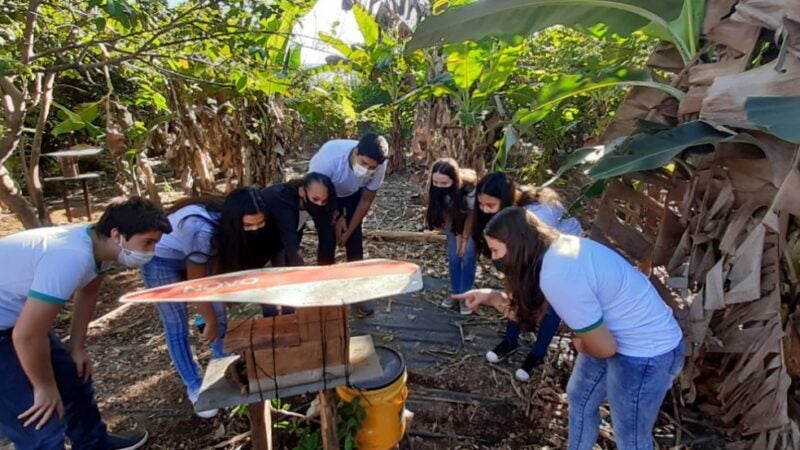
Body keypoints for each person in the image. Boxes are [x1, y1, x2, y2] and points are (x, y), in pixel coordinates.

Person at [456, 207, 684, 450]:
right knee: (580, 398)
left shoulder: (558, 273)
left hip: (646, 353)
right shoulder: (552, 250)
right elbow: (531, 314)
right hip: (608, 334)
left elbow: (604, 348)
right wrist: (490, 297)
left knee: (632, 440)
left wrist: (579, 343)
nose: (494, 259)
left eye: (495, 250)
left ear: (518, 245)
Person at [0, 196, 171, 450]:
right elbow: (27, 337)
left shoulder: (95, 246)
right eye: (147, 243)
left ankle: (94, 443)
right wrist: (44, 386)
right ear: (117, 234)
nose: (150, 251)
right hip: (15, 332)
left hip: (16, 325)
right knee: (40, 421)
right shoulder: (70, 257)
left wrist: (77, 347)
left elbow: (88, 293)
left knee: (73, 380)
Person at [140, 187, 270, 418]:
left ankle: (223, 369)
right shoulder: (201, 229)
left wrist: (218, 302)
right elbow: (196, 281)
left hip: (196, 257)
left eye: (259, 224)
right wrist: (208, 318)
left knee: (219, 313)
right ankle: (194, 384)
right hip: (162, 260)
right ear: (233, 220)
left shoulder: (224, 225)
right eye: (248, 226)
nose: (255, 230)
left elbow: (216, 267)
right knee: (176, 325)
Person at [472, 173, 583, 381]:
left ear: (505, 200)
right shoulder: (515, 208)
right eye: (481, 204)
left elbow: (537, 250)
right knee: (518, 294)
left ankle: (537, 354)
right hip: (535, 254)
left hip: (561, 257)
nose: (484, 210)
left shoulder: (534, 214)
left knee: (550, 305)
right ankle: (511, 341)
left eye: (490, 205)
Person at [309, 132, 389, 316]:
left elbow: (366, 200)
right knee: (327, 241)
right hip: (324, 194)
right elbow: (317, 193)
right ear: (355, 152)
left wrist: (348, 230)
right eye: (363, 163)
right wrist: (337, 217)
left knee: (355, 244)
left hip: (353, 195)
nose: (367, 169)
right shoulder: (328, 159)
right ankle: (325, 291)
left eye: (372, 167)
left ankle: (358, 293)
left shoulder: (380, 165)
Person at [258, 172, 338, 317]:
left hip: (289, 234)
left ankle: (289, 313)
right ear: (302, 191)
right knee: (272, 279)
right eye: (315, 199)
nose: (319, 204)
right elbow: (292, 248)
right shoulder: (283, 201)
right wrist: (308, 281)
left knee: (290, 275)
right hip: (263, 238)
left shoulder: (314, 203)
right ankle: (271, 319)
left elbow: (327, 238)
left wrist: (326, 275)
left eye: (323, 201)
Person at [424, 158, 477, 315]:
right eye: (436, 182)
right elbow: (445, 211)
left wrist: (465, 237)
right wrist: (456, 234)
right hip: (452, 219)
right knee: (454, 257)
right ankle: (456, 294)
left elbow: (472, 214)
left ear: (454, 180)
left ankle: (466, 296)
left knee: (467, 256)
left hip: (471, 220)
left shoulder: (469, 187)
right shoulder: (435, 187)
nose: (439, 186)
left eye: (444, 183)